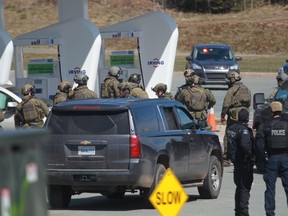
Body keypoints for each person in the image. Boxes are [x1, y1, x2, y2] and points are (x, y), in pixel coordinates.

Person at [256, 101, 288, 216]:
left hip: (272, 159)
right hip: (285, 158)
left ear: (271, 111)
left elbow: (259, 147)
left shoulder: (265, 126)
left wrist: (261, 163)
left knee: (270, 189)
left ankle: (270, 213)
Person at [227, 108, 255, 216]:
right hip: (244, 162)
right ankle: (243, 212)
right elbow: (245, 145)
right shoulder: (244, 130)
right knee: (245, 188)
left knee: (239, 187)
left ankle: (238, 211)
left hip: (236, 161)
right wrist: (251, 156)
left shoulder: (231, 128)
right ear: (247, 119)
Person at [221, 71, 251, 163]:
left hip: (233, 115)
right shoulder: (246, 89)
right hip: (244, 114)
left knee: (229, 133)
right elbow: (249, 103)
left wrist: (223, 116)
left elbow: (226, 104)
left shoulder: (232, 90)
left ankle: (226, 156)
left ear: (232, 80)